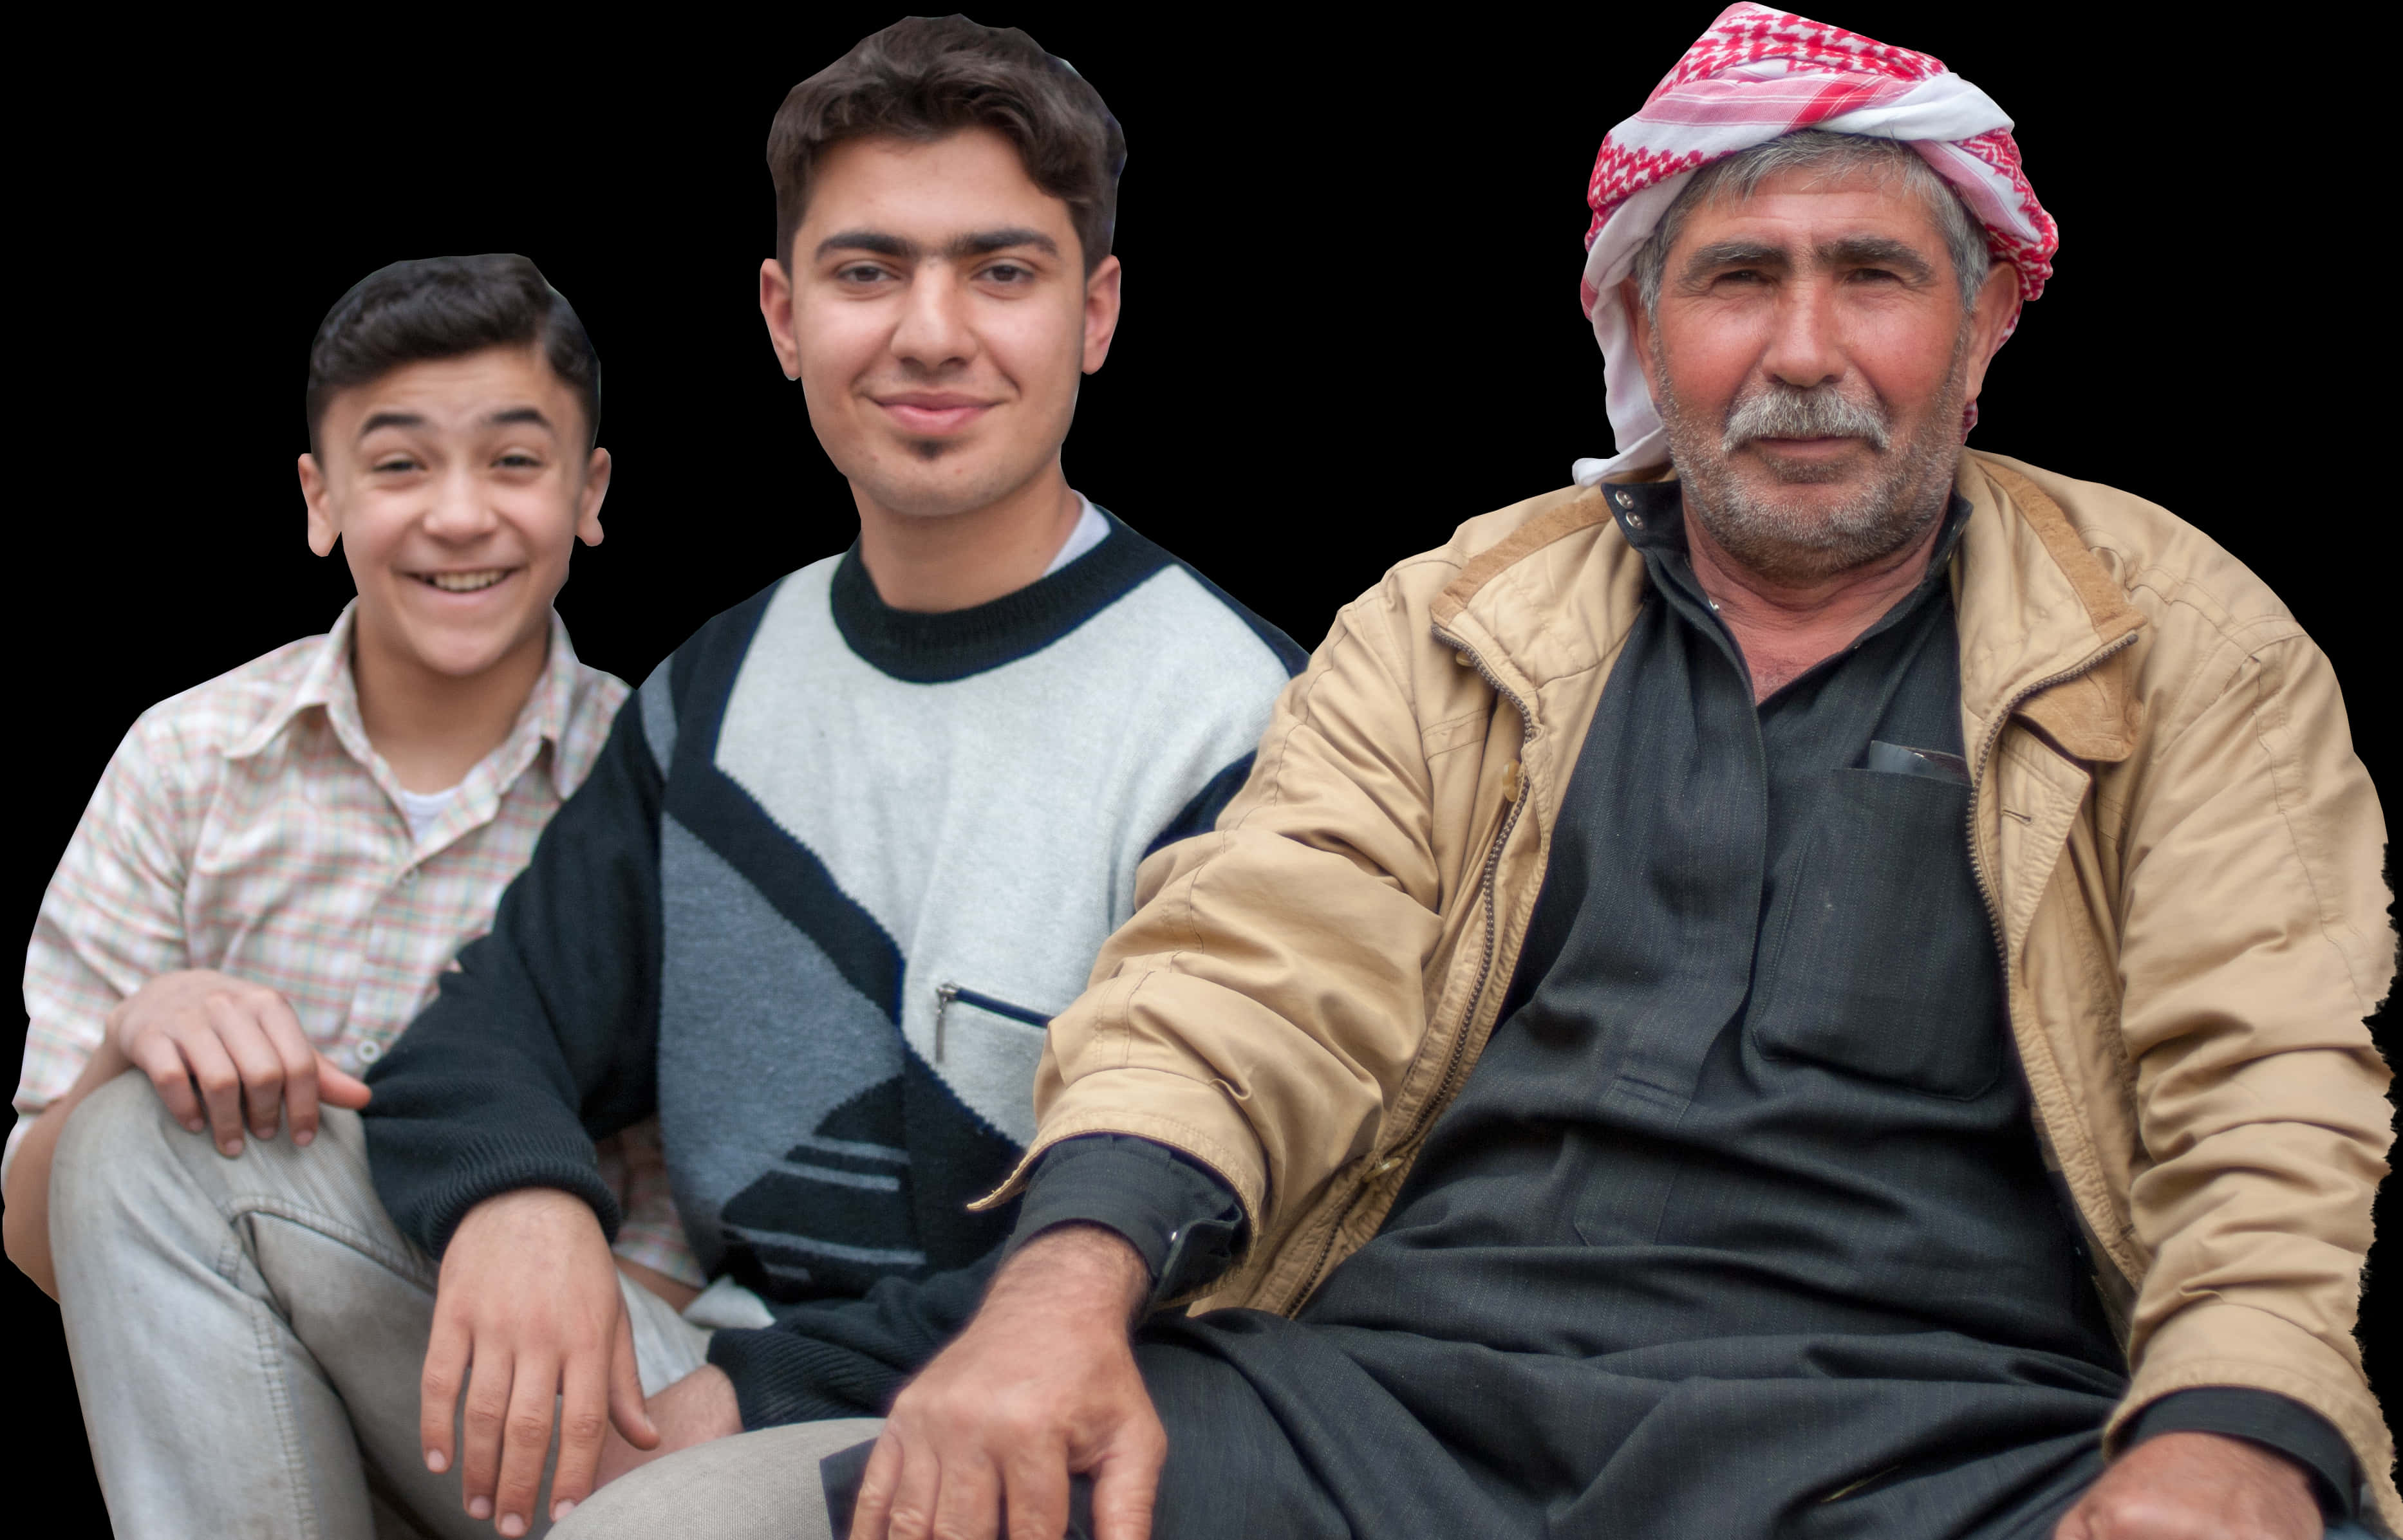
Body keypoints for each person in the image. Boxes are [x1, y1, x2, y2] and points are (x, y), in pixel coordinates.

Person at [564, 8, 2398, 1540]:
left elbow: (2264, 1079)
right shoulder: (1464, 615)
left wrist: (2224, 1426)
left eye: (1874, 279)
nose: (1803, 351)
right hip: (1394, 1411)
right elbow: (1243, 973)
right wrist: (1059, 1297)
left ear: (1987, 320)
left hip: (1940, 1438)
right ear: (1638, 328)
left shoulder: (2168, 639)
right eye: (1737, 280)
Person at [43, 16, 1301, 1540]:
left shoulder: (1239, 717)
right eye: (865, 271)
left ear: (1096, 313)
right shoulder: (720, 689)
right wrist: (522, 1197)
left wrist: (757, 1398)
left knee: (648, 1529)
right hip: (696, 1373)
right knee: (150, 1150)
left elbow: (1221, 1218)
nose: (928, 331)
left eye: (1001, 271)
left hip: (1005, 1424)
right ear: (781, 316)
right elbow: (488, 1026)